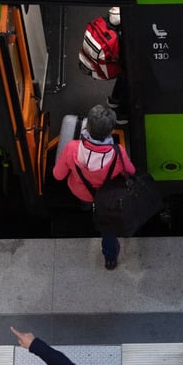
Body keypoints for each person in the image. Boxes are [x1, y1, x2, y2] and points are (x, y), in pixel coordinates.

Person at [52, 105, 136, 269]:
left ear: (87, 127)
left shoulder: (72, 149)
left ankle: (87, 204)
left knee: (88, 198)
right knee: (107, 229)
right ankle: (110, 259)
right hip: (108, 199)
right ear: (111, 131)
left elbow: (58, 175)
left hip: (82, 192)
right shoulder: (118, 153)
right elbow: (131, 171)